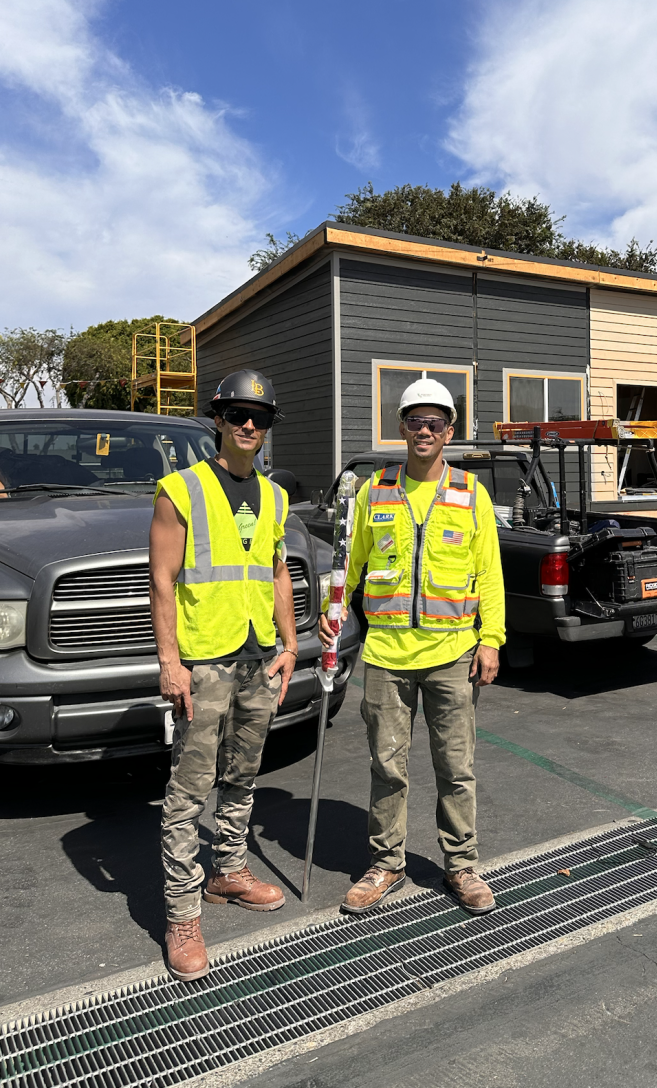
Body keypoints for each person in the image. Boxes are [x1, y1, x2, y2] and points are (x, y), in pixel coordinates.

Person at [321, 378, 505, 917]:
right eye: (415, 422)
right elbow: (348, 568)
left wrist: (490, 640)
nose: (424, 431)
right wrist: (332, 617)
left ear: (449, 432)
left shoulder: (472, 493)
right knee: (387, 767)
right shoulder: (372, 491)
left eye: (435, 423)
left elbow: (489, 575)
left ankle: (462, 865)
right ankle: (386, 864)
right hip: (386, 657)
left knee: (456, 767)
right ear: (400, 427)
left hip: (453, 655)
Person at [150, 369, 298, 982]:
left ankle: (228, 872)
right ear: (217, 419)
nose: (247, 425)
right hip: (204, 662)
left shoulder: (276, 496)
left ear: (266, 429)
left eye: (258, 418)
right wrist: (170, 663)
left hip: (257, 658)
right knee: (188, 791)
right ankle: (182, 913)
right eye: (237, 414)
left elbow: (277, 573)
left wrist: (290, 644)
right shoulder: (178, 489)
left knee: (242, 775)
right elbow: (162, 580)